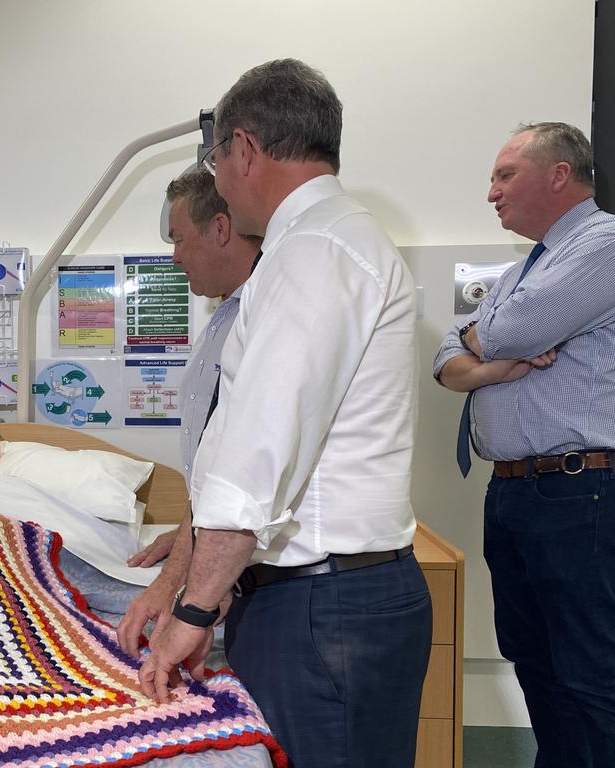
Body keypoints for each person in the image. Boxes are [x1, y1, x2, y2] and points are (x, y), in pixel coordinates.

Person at [135, 59, 432, 768]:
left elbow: (255, 454)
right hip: (321, 601)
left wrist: (193, 612)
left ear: (243, 149)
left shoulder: (315, 251)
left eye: (218, 160)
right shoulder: (325, 243)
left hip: (324, 608)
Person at [434, 122, 615, 767]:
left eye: (505, 176)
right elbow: (446, 354)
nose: (491, 193)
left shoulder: (604, 242)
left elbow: (509, 328)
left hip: (577, 488)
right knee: (533, 660)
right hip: (515, 490)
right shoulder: (523, 269)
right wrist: (487, 364)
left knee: (590, 672)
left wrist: (488, 340)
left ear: (560, 174)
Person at [117, 170, 261, 640]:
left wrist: (172, 581)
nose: (174, 257)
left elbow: (234, 471)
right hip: (220, 542)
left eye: (179, 240)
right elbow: (208, 467)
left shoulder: (259, 319)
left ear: (220, 228)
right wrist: (184, 541)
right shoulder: (226, 315)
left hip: (251, 567)